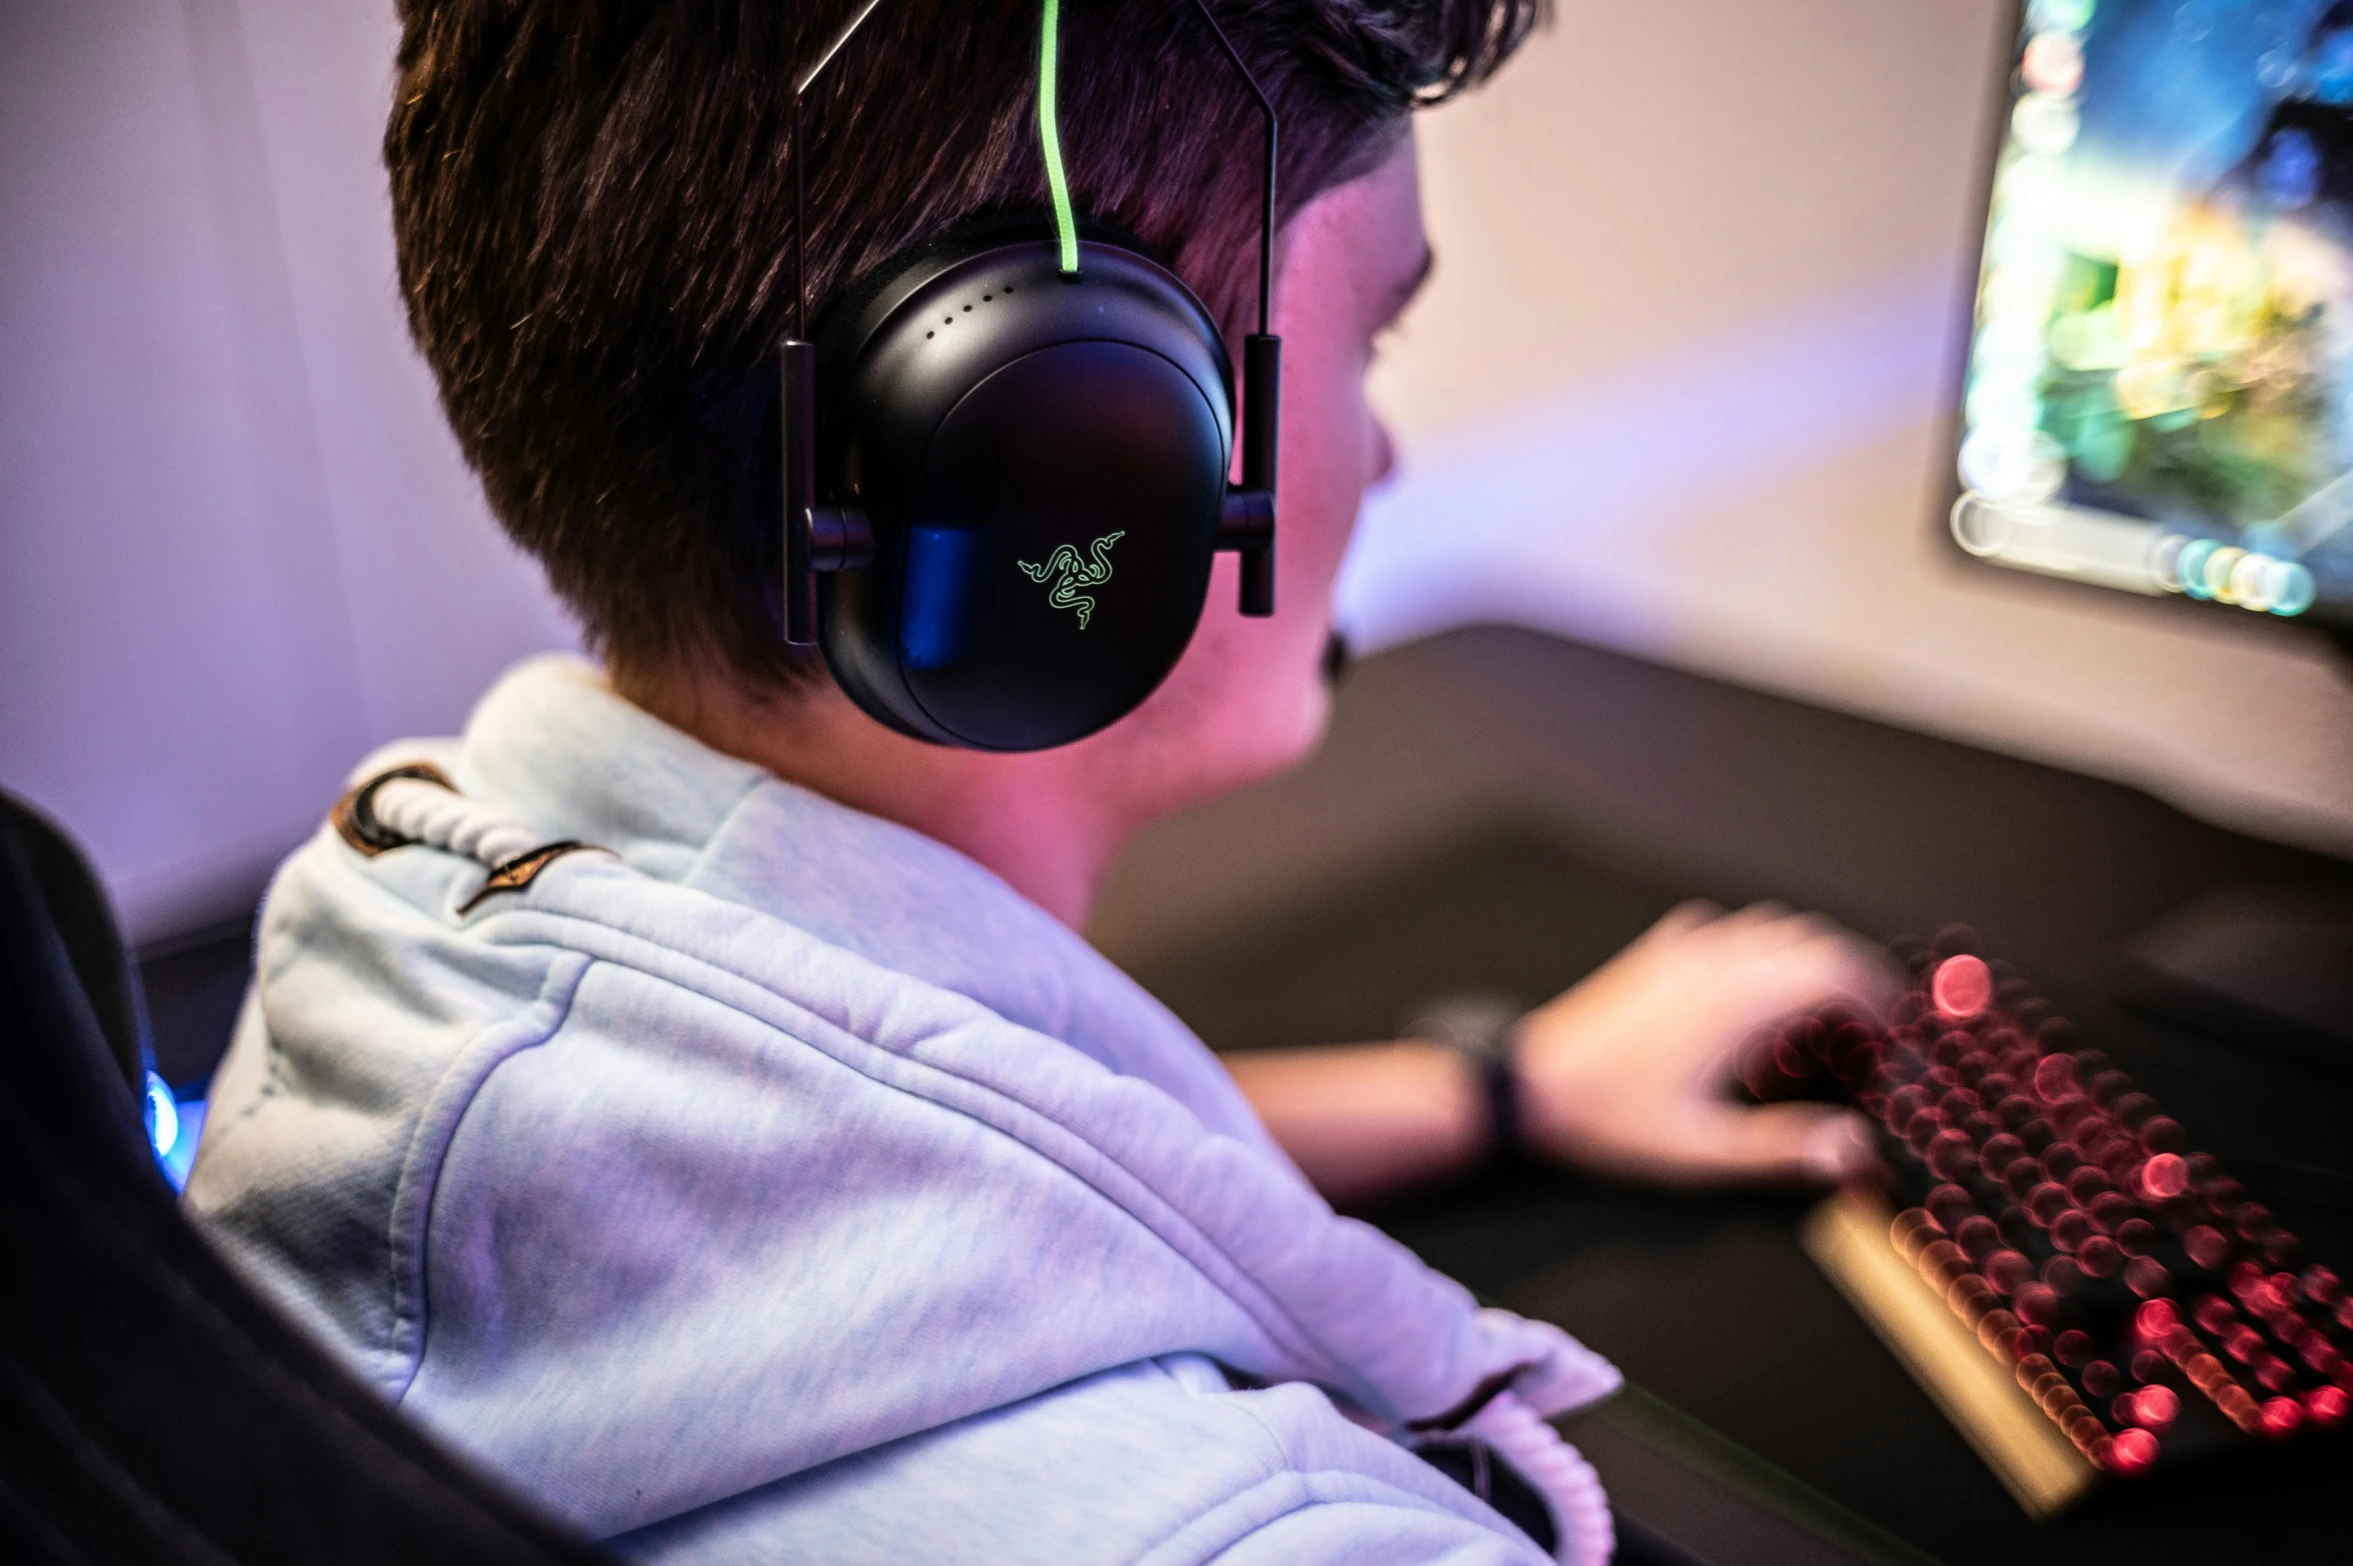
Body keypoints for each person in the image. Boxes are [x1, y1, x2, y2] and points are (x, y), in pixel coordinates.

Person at [187, 2, 1888, 1560]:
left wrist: (1497, 1090)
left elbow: (855, 1178)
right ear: (1069, 480)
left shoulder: (402, 930)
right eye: (1368, 344)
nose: (1380, 453)